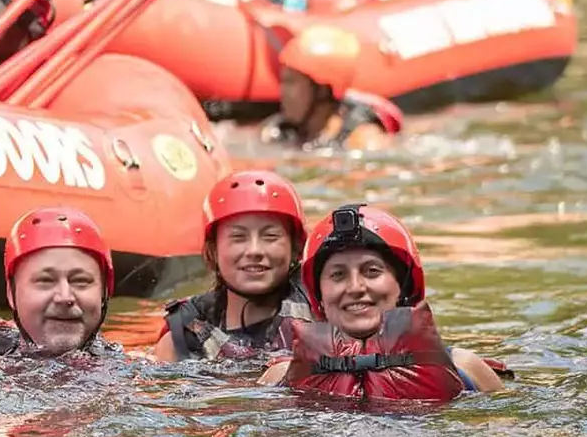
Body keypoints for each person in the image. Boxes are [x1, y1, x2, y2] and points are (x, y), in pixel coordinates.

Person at [261, 204, 510, 398]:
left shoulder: (465, 368)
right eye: (338, 275)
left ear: (403, 287)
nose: (356, 287)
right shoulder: (280, 376)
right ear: (320, 298)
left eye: (372, 271)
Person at [155, 170, 312, 363]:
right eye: (238, 237)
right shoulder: (181, 342)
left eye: (270, 236)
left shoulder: (328, 312)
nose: (254, 250)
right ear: (213, 251)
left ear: (295, 248)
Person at [0, 206, 116, 358]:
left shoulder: (128, 367)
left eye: (81, 281)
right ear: (12, 294)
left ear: (103, 294)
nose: (65, 297)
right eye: (45, 281)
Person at [263, 26, 404, 152]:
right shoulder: (278, 131)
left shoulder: (363, 139)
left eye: (291, 83)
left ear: (322, 89)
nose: (282, 91)